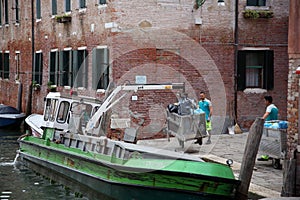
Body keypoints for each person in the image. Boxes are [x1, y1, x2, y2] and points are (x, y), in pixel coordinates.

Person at [258, 95, 278, 161]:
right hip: (274, 125)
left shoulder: (269, 107)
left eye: (265, 101)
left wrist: (261, 119)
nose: (264, 102)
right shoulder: (275, 107)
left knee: (265, 139)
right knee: (272, 140)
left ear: (267, 101)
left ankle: (265, 155)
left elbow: (266, 114)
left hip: (268, 125)